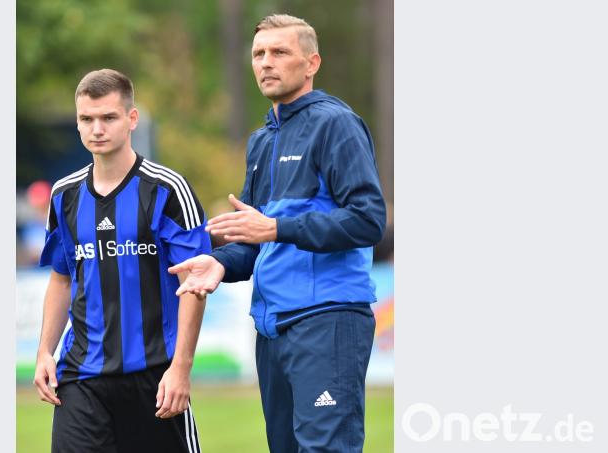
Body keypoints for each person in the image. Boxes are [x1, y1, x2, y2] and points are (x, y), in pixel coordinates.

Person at [170, 14, 386, 453]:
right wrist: (220, 262)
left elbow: (368, 220)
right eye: (258, 54)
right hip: (272, 329)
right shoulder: (261, 142)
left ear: (311, 63)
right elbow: (255, 243)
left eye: (279, 52)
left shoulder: (336, 124)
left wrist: (276, 226)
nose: (266, 63)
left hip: (327, 320)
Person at [34, 68, 210, 453]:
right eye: (86, 119)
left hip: (154, 378)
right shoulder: (64, 196)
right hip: (81, 378)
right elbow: (62, 279)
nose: (97, 128)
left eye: (108, 117)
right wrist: (45, 352)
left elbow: (194, 285)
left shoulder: (167, 189)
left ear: (131, 119)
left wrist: (180, 368)